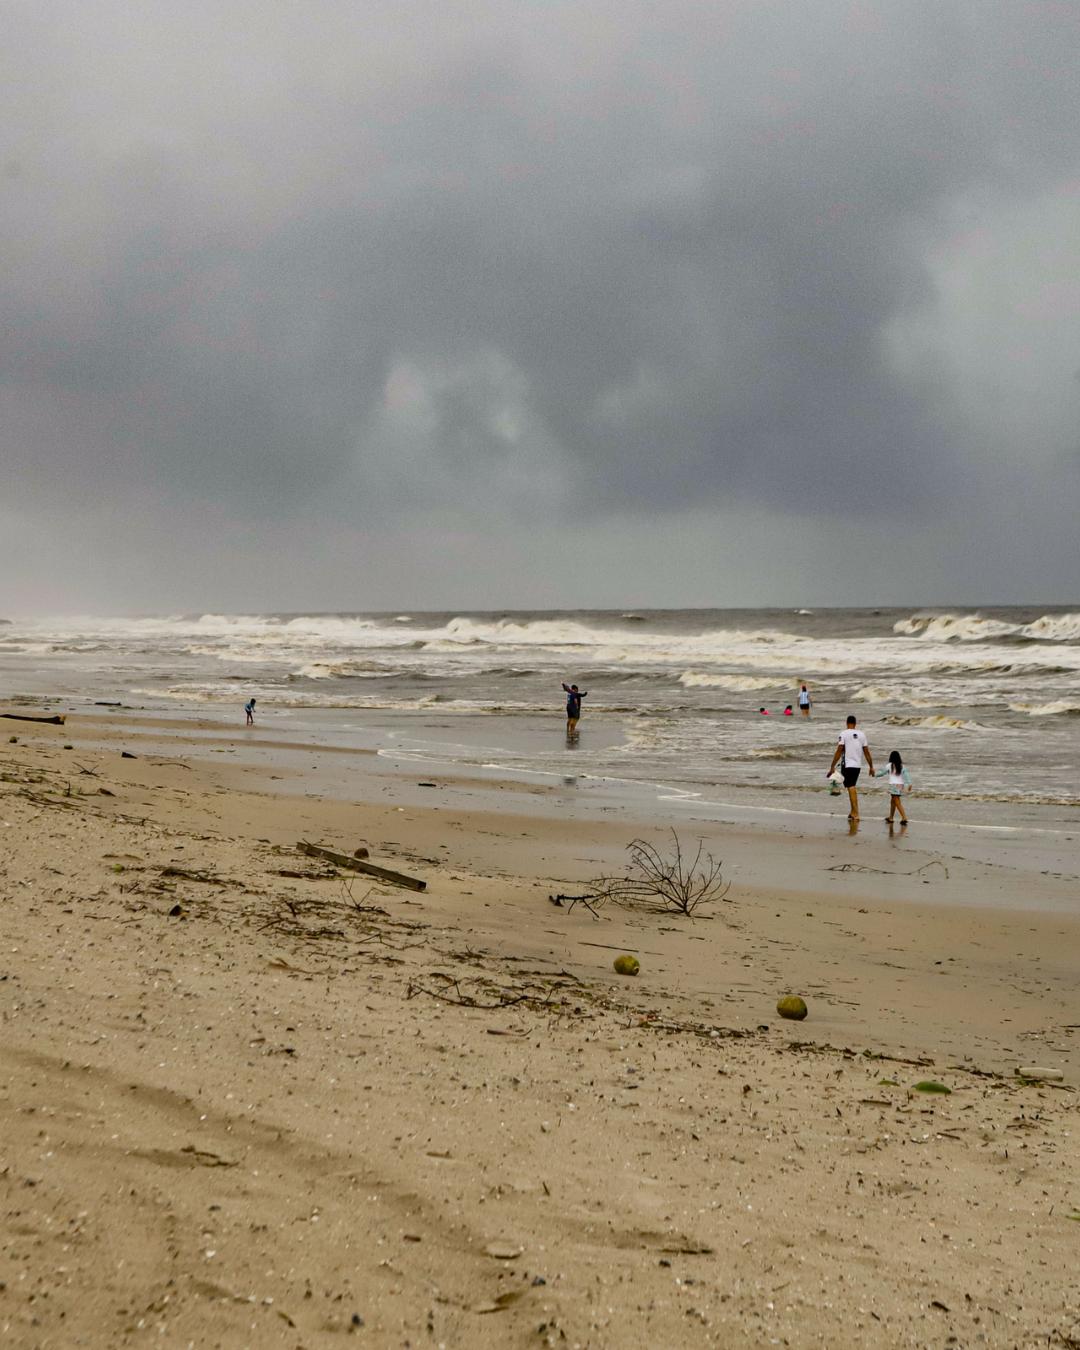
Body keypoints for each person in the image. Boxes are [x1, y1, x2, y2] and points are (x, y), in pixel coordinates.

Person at [827, 713, 875, 821]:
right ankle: (853, 812)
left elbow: (839, 749)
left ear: (846, 723)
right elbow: (867, 752)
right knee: (850, 787)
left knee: (851, 787)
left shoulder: (844, 733)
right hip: (857, 765)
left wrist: (832, 766)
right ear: (855, 724)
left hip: (847, 765)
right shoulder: (862, 734)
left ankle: (856, 813)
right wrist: (871, 766)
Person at [883, 750, 912, 825]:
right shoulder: (901, 766)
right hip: (900, 786)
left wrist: (875, 774)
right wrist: (909, 783)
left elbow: (882, 772)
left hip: (893, 785)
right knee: (893, 801)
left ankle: (904, 817)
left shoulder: (889, 765)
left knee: (897, 802)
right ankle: (891, 817)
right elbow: (907, 775)